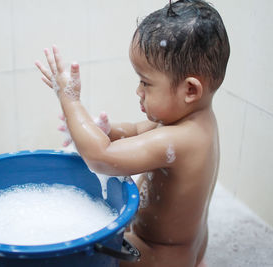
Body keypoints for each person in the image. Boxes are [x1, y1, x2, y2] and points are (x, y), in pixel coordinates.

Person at [35, 0, 230, 266]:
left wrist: (70, 100)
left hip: (158, 254)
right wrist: (106, 130)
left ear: (190, 90)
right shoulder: (194, 122)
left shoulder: (179, 139)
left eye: (145, 82)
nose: (138, 91)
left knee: (95, 253)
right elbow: (136, 131)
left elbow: (100, 157)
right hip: (186, 249)